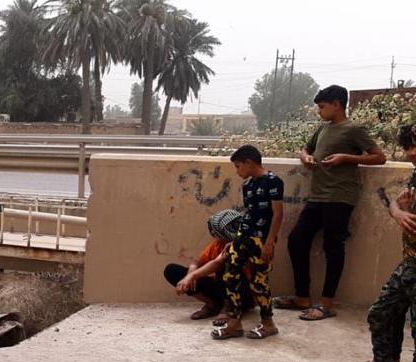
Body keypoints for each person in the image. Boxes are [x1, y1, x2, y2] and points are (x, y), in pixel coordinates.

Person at [274, 85, 387, 321]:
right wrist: (305, 158)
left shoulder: (354, 129)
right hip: (317, 196)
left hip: (340, 197)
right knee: (297, 240)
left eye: (322, 107)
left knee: (333, 247)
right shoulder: (323, 128)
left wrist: (346, 158)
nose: (320, 111)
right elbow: (306, 149)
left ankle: (327, 303)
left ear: (337, 105)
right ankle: (302, 297)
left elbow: (379, 157)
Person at [339, 124, 416, 362]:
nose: (411, 153)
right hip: (411, 261)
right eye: (408, 147)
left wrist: (402, 213)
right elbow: (398, 207)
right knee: (381, 312)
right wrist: (399, 212)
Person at [212, 145, 283, 340]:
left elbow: (277, 214)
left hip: (262, 240)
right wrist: (235, 239)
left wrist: (269, 243)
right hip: (243, 237)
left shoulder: (273, 181)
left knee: (259, 282)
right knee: (229, 275)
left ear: (249, 162)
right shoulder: (247, 185)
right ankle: (234, 323)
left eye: (238, 166)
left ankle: (268, 323)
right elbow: (249, 214)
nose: (237, 171)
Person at [164, 209, 253, 320]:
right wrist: (191, 272)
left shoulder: (242, 244)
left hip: (242, 293)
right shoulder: (217, 244)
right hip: (220, 288)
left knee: (225, 267)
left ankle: (229, 307)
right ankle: (212, 305)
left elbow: (217, 263)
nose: (212, 233)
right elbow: (197, 262)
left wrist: (192, 276)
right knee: (172, 270)